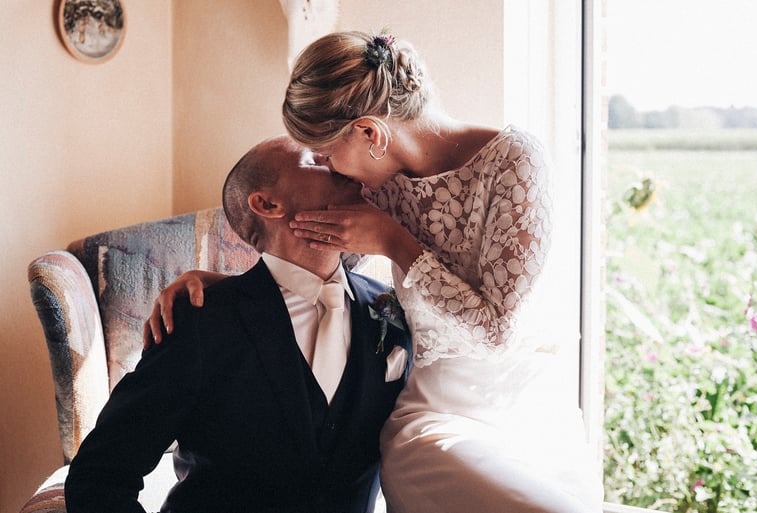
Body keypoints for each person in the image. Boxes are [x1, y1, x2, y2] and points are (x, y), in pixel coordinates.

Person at [147, 31, 604, 513]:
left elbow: (496, 332)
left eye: (325, 153)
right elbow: (313, 274)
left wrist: (394, 242)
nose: (330, 170)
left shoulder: (515, 163)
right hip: (432, 412)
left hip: (527, 406)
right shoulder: (373, 186)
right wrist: (224, 288)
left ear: (369, 132)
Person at [65, 135, 411, 513]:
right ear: (267, 204)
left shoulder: (395, 309)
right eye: (317, 159)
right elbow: (99, 476)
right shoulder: (200, 320)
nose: (340, 163)